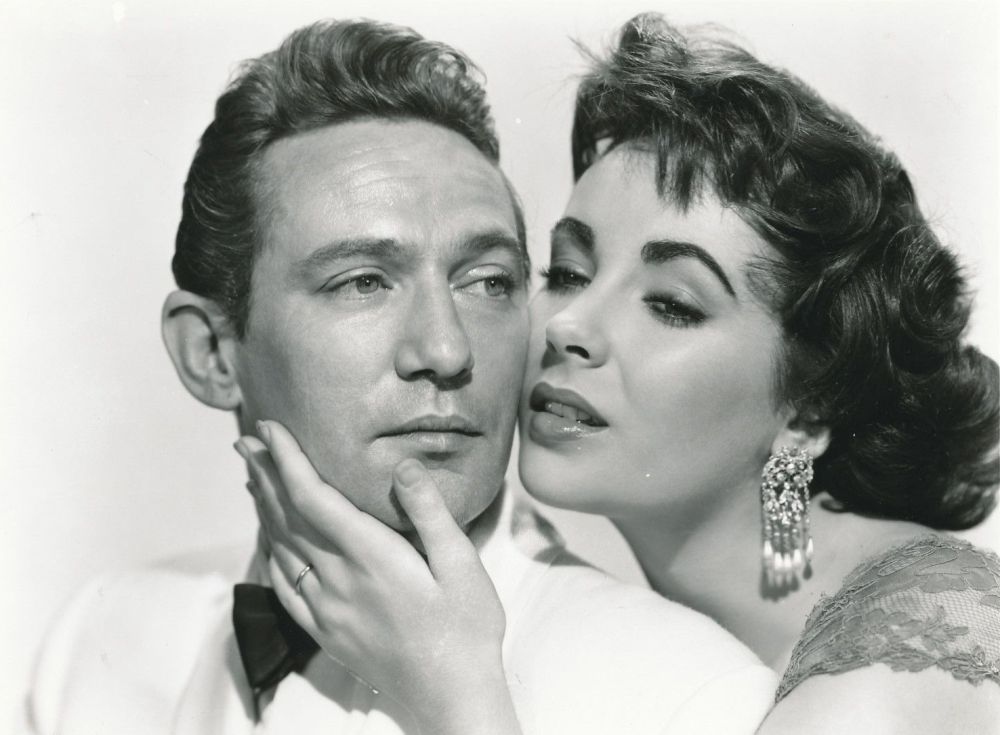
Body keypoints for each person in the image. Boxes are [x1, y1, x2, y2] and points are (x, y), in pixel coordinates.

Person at [242, 12, 1000, 735]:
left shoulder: (911, 663)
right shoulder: (652, 638)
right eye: (569, 272)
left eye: (671, 305)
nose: (566, 325)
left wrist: (454, 691)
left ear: (806, 408)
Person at [23, 17, 777, 735]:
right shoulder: (96, 640)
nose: (446, 350)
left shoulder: (689, 694)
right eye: (362, 282)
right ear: (212, 354)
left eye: (488, 282)